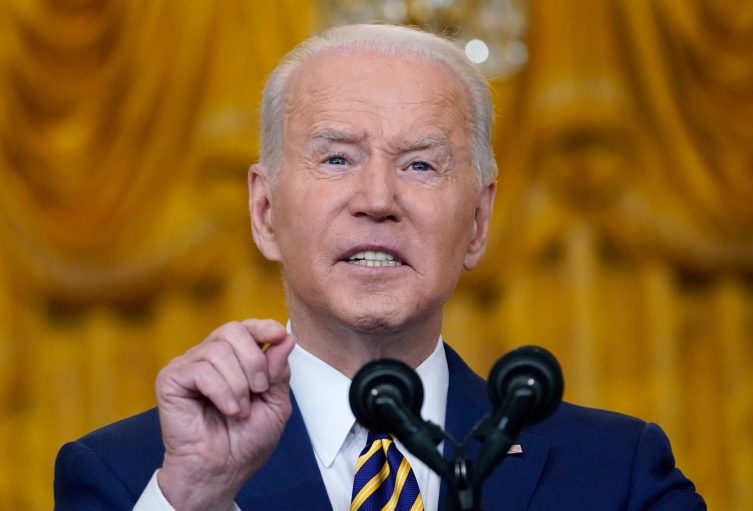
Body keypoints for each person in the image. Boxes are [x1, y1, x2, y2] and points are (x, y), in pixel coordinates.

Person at [53, 24, 706, 511]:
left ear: (477, 222)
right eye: (337, 158)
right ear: (263, 209)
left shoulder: (616, 471)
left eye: (420, 163)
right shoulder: (133, 475)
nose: (377, 200)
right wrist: (196, 496)